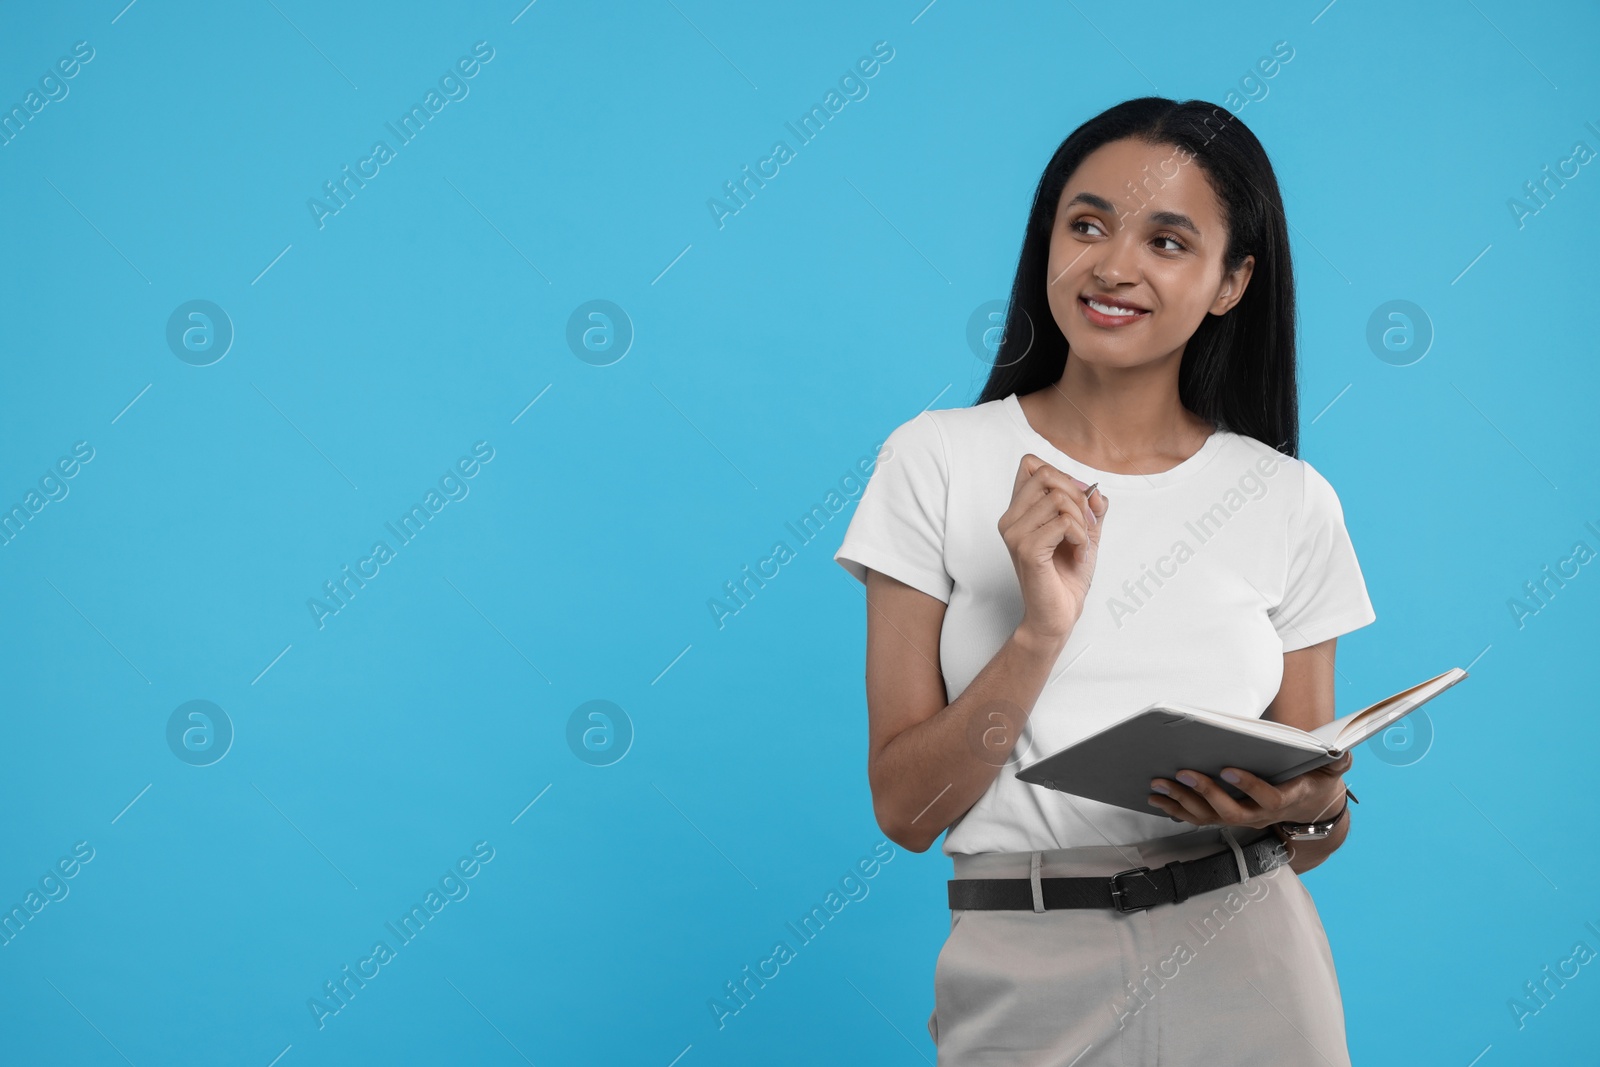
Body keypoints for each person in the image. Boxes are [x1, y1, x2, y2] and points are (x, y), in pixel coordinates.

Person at [833, 97, 1376, 1066]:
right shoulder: (936, 459)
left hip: (1248, 956)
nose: (1113, 265)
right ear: (1048, 241)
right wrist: (1039, 630)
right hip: (1022, 963)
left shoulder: (1287, 498)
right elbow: (905, 812)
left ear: (1230, 280)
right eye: (1086, 224)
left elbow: (1315, 817)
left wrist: (1306, 805)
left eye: (1168, 240)